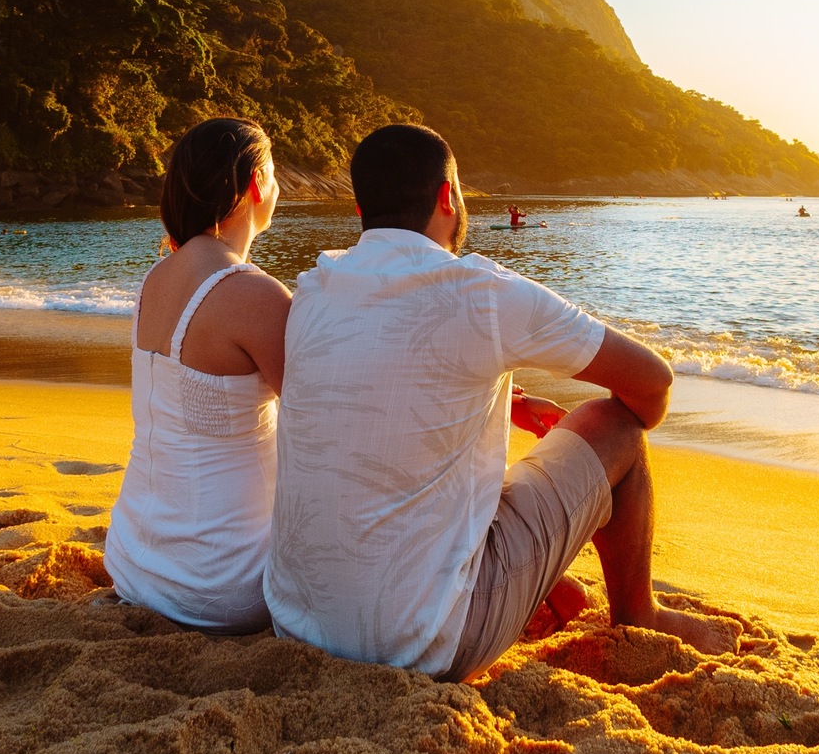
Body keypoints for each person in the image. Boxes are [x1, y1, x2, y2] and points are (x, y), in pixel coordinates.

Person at [264, 122, 740, 678]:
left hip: (296, 626)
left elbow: (388, 382)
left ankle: (539, 581)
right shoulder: (479, 292)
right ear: (448, 196)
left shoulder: (314, 288)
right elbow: (651, 383)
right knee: (615, 427)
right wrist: (615, 456)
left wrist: (508, 396)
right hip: (424, 644)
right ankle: (639, 614)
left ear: (359, 210)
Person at [105, 117, 292, 633]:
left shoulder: (154, 279)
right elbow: (323, 421)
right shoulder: (254, 295)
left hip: (133, 562)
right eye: (274, 175)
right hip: (220, 587)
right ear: (257, 183)